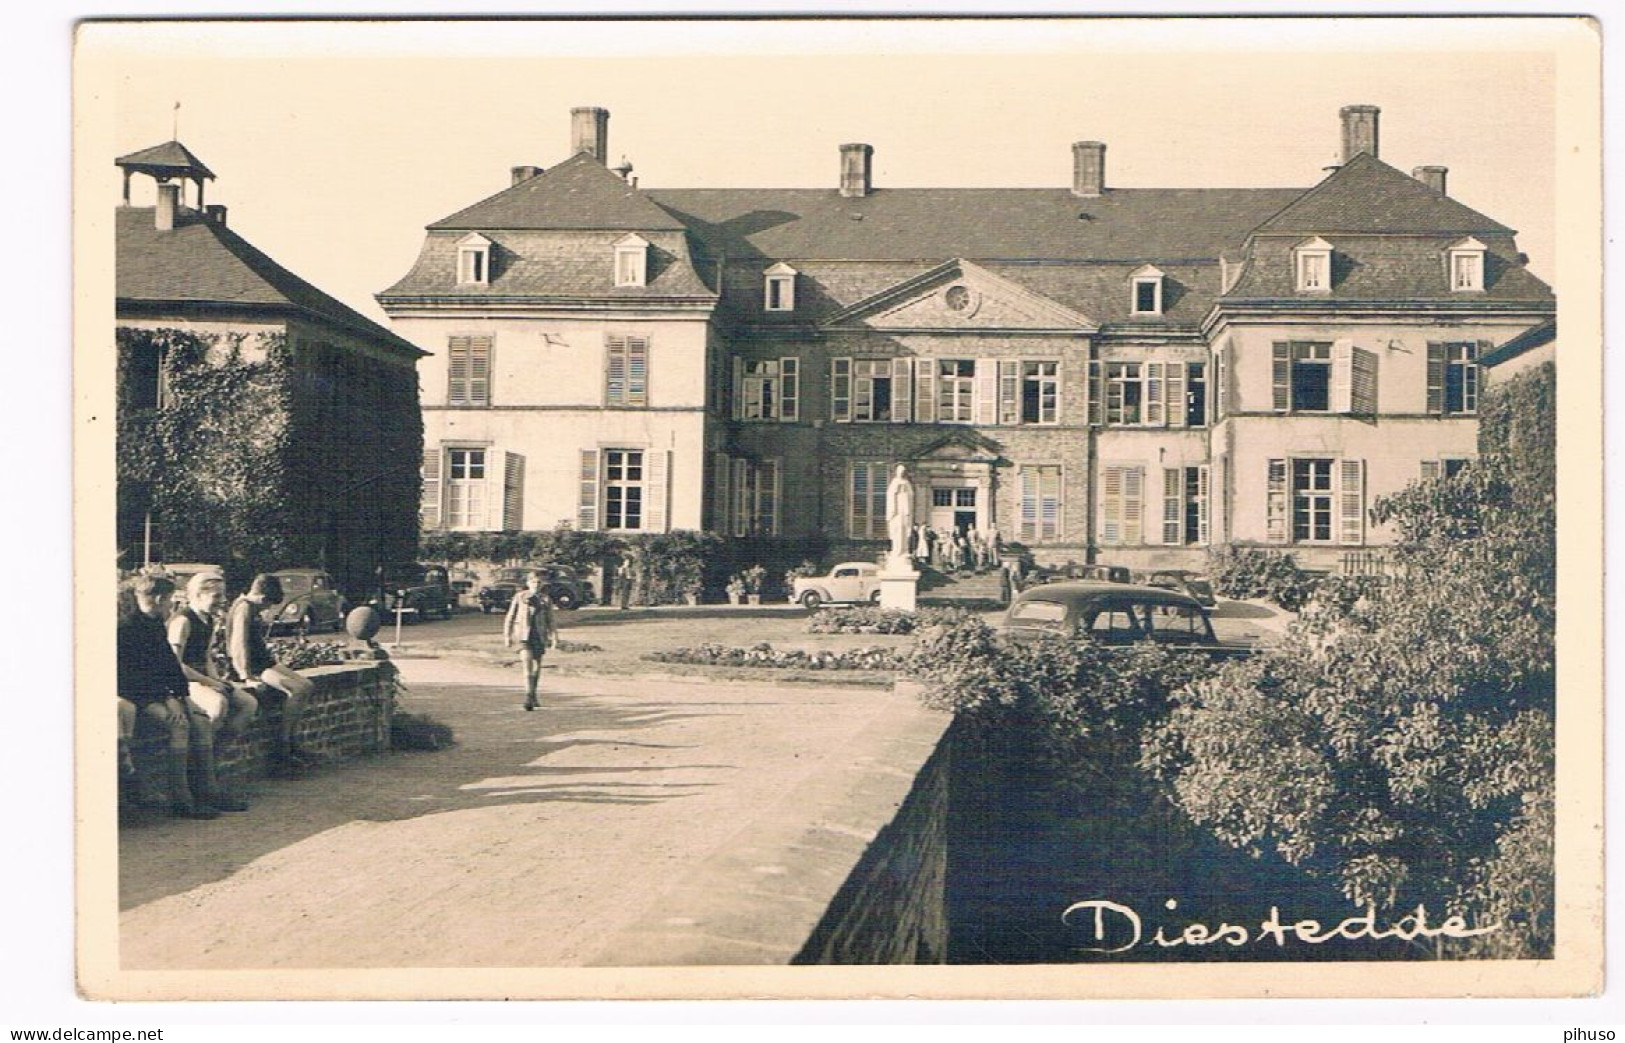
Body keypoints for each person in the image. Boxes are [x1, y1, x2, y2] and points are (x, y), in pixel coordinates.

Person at [118, 573, 218, 819]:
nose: (171, 605)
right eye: (170, 600)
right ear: (160, 599)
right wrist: (167, 699)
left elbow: (169, 665)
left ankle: (206, 792)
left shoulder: (154, 625)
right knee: (180, 726)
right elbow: (130, 678)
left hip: (158, 694)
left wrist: (179, 696)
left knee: (198, 719)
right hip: (137, 696)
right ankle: (182, 800)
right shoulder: (126, 629)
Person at [168, 572, 256, 812]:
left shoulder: (208, 620)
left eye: (223, 595)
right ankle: (204, 779)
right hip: (182, 681)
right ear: (198, 595)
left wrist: (218, 680)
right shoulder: (182, 621)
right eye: (216, 596)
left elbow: (205, 656)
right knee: (217, 706)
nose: (222, 601)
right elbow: (175, 664)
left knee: (248, 704)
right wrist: (209, 682)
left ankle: (210, 759)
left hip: (202, 678)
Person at [227, 573, 317, 779]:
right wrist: (245, 675)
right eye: (266, 605)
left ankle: (292, 739)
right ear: (261, 597)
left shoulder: (250, 607)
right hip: (254, 666)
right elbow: (238, 644)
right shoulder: (243, 608)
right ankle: (283, 746)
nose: (266, 609)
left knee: (307, 685)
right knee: (297, 689)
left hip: (265, 661)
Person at [504, 571, 558, 711]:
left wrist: (554, 637)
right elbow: (510, 616)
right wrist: (507, 636)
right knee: (527, 664)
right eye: (533, 582)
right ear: (528, 583)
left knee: (536, 667)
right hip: (523, 635)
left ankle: (533, 694)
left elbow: (551, 620)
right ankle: (528, 696)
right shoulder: (520, 597)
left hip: (539, 635)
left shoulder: (546, 599)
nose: (536, 584)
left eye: (539, 582)